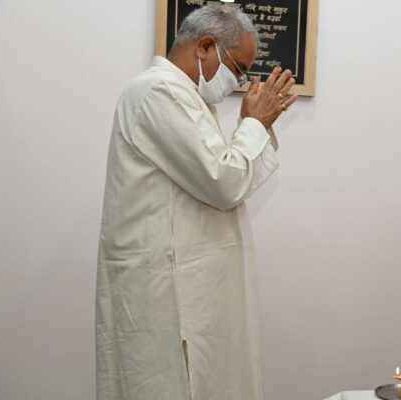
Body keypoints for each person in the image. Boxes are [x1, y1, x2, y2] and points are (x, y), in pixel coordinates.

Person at [95, 4, 296, 400]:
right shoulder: (158, 91)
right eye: (238, 69)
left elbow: (228, 178)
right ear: (205, 46)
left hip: (189, 286)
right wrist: (254, 124)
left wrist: (257, 125)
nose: (239, 82)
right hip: (166, 294)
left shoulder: (188, 98)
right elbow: (225, 180)